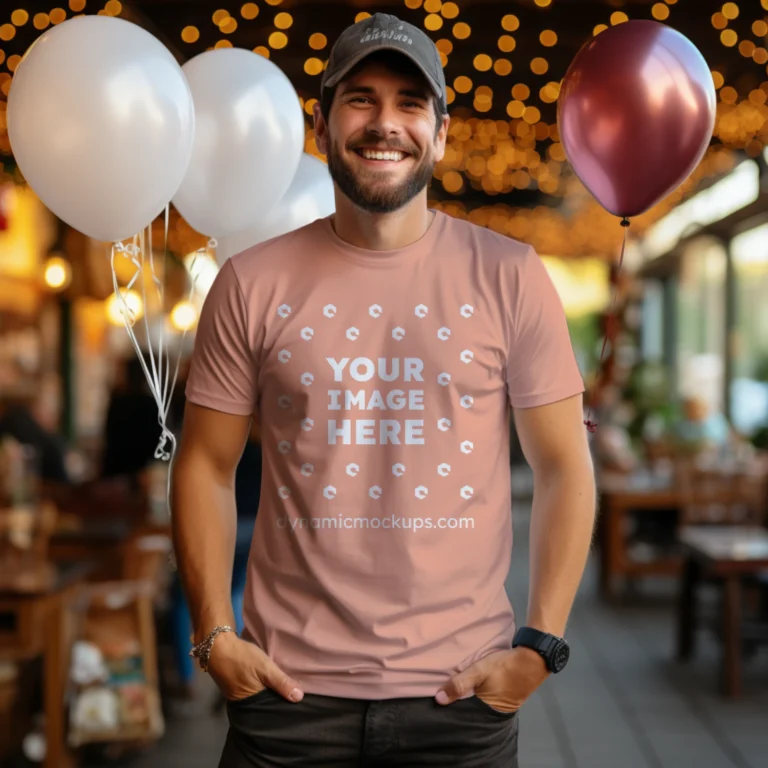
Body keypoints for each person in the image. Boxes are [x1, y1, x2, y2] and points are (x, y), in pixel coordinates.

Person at [172, 13, 596, 767]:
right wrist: (214, 637)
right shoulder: (250, 282)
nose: (384, 124)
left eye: (409, 104)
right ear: (324, 121)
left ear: (439, 131)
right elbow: (203, 464)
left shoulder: (511, 275)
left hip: (461, 698)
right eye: (361, 99)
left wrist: (539, 646)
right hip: (287, 700)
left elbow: (565, 466)